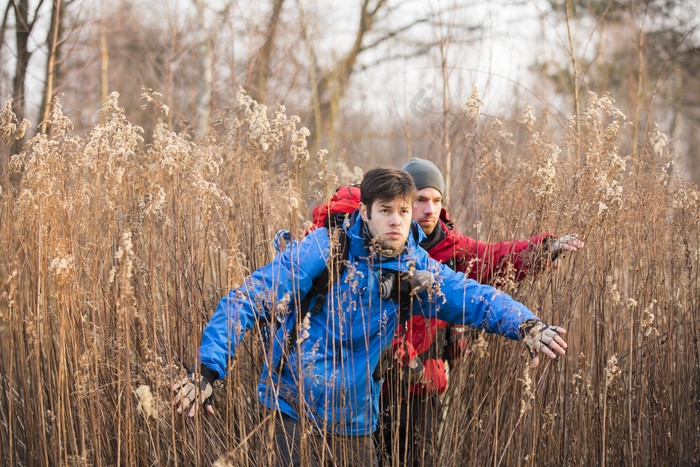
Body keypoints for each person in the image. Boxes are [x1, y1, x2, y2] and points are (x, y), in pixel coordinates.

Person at [172, 167, 568, 467]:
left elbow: (476, 299)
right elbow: (249, 297)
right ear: (365, 212)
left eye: (402, 210)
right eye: (385, 211)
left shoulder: (416, 267)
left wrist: (527, 326)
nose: (396, 220)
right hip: (292, 406)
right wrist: (207, 372)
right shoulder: (326, 247)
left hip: (355, 419)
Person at [375, 158, 584, 466]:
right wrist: (419, 370)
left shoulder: (452, 248)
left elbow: (496, 258)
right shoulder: (380, 248)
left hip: (421, 396)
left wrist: (544, 249)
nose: (429, 210)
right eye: (420, 200)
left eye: (436, 200)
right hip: (376, 388)